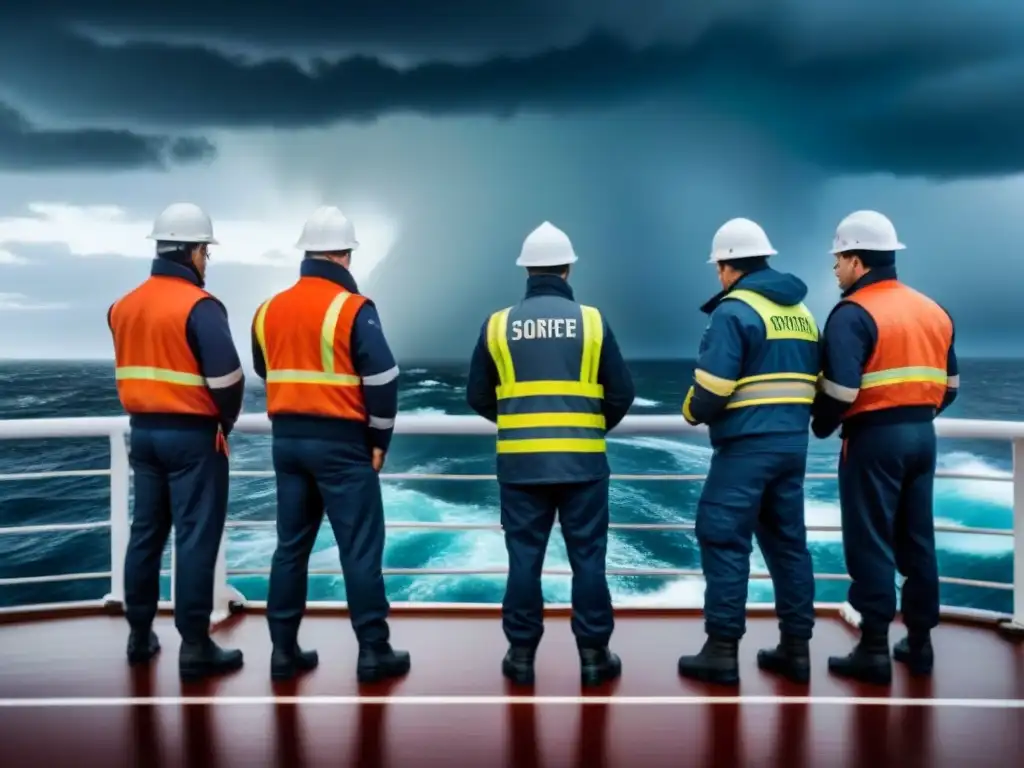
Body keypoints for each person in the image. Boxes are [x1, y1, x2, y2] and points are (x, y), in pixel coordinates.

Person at [466, 221, 635, 687]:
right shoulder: (594, 322)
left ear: (525, 270)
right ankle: (595, 658)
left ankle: (521, 658)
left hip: (521, 467)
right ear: (568, 268)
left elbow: (477, 396)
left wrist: (520, 421)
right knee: (588, 559)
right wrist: (586, 426)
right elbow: (621, 394)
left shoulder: (497, 324)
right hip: (582, 464)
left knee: (524, 560)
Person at [252, 205, 409, 683]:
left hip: (287, 443)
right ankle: (373, 652)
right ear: (344, 256)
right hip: (342, 445)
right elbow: (383, 377)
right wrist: (378, 438)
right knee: (359, 548)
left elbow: (266, 369)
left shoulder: (268, 308)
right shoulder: (353, 308)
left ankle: (283, 652)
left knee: (290, 547)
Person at [813, 210, 958, 684]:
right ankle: (920, 645)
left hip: (874, 439)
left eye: (837, 259)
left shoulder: (852, 313)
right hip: (923, 434)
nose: (834, 268)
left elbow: (839, 389)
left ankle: (873, 648)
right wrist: (915, 414)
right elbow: (950, 386)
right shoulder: (933, 310)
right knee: (917, 539)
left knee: (870, 538)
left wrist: (821, 424)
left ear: (856, 260)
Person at [677, 218, 819, 686]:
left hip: (746, 447)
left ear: (725, 265)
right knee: (788, 544)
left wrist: (692, 411)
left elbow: (714, 387)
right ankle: (795, 648)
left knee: (721, 535)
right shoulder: (801, 311)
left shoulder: (733, 310)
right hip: (792, 446)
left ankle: (721, 651)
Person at [108, 202, 245, 682]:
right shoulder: (200, 307)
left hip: (142, 434)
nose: (206, 261)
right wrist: (222, 425)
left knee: (146, 535)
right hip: (192, 437)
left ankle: (139, 636)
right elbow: (228, 379)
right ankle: (194, 644)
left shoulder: (122, 306)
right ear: (192, 251)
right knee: (194, 537)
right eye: (206, 251)